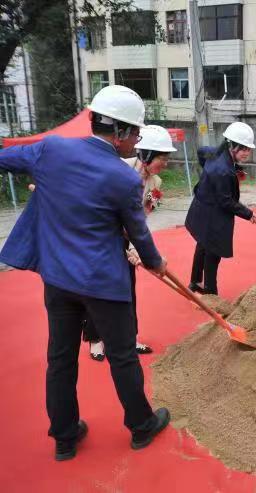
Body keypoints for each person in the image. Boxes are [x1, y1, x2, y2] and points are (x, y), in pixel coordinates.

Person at [0, 85, 171, 461]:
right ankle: (141, 426)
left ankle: (64, 438)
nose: (137, 141)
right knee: (122, 356)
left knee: (60, 358)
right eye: (136, 133)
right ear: (121, 132)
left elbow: (5, 158)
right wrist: (156, 262)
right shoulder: (123, 178)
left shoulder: (51, 149)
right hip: (102, 283)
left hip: (58, 280)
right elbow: (138, 233)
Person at [83, 125, 177, 361]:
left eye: (167, 158)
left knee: (127, 290)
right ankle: (96, 339)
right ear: (146, 154)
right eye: (162, 158)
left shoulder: (155, 183)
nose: (165, 164)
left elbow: (142, 219)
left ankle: (130, 337)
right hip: (103, 240)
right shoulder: (118, 169)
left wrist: (135, 249)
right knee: (99, 290)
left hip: (128, 240)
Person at [185, 122, 256, 295]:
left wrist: (209, 171)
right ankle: (210, 292)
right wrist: (248, 214)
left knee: (202, 245)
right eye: (243, 148)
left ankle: (195, 282)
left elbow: (201, 152)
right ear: (232, 145)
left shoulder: (214, 152)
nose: (247, 152)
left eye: (248, 149)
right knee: (213, 252)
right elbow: (226, 201)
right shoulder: (223, 171)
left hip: (202, 206)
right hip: (212, 213)